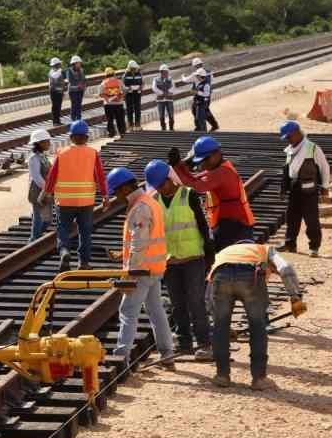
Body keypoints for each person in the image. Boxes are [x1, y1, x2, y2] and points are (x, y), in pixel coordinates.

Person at [209, 240, 306, 390]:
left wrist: (222, 326)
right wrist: (295, 297)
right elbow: (285, 268)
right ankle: (259, 379)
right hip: (250, 278)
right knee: (257, 326)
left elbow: (208, 295)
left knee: (220, 327)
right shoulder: (265, 249)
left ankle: (222, 376)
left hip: (221, 277)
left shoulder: (225, 252)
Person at [107, 167, 175, 369]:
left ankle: (121, 356)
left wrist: (129, 274)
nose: (116, 197)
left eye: (117, 192)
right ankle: (167, 353)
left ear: (126, 187)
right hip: (154, 268)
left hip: (142, 271)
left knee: (127, 311)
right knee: (155, 310)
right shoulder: (149, 202)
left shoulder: (140, 208)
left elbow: (140, 244)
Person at [145, 159, 213, 361]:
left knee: (196, 302)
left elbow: (203, 224)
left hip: (193, 257)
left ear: (171, 179)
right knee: (178, 303)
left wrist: (210, 253)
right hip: (169, 260)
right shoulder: (155, 201)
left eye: (162, 184)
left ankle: (204, 343)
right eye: (157, 186)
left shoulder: (189, 195)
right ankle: (184, 342)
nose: (161, 188)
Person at [169, 136, 256, 268]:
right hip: (228, 223)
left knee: (234, 266)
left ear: (216, 154)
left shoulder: (222, 173)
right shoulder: (219, 168)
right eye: (200, 161)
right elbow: (194, 178)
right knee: (225, 264)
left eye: (205, 160)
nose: (203, 165)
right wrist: (180, 166)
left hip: (235, 227)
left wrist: (176, 167)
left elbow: (195, 186)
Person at [43, 120, 108, 270]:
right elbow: (100, 176)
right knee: (85, 232)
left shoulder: (62, 153)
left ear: (71, 137)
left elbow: (52, 176)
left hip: (64, 202)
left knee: (63, 229)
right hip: (86, 202)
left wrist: (47, 192)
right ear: (86, 138)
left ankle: (65, 251)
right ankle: (84, 263)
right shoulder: (92, 154)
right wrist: (105, 196)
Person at [280, 120, 330, 257]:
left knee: (311, 219)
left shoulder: (312, 148)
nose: (288, 140)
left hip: (309, 190)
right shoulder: (290, 150)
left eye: (289, 137)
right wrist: (284, 188)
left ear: (297, 133)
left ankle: (314, 247)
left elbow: (325, 168)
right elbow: (288, 170)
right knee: (292, 218)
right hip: (294, 189)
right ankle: (290, 244)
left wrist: (325, 186)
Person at [26, 129, 54, 241]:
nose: (49, 143)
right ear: (39, 143)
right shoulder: (33, 158)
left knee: (47, 219)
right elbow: (37, 177)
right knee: (38, 218)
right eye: (46, 141)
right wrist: (48, 189)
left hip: (45, 191)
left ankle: (37, 237)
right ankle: (33, 240)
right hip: (37, 192)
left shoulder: (42, 156)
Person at [184, 58, 219, 132]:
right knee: (204, 110)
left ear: (195, 66)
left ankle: (201, 128)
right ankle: (213, 125)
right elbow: (212, 80)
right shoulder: (209, 72)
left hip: (201, 95)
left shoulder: (197, 74)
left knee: (198, 111)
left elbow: (186, 80)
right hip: (207, 95)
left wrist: (183, 76)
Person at [99, 66, 126, 138]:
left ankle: (111, 133)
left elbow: (101, 94)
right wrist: (120, 97)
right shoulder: (119, 81)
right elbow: (124, 91)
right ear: (113, 74)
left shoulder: (103, 83)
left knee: (109, 119)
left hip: (108, 104)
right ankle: (122, 132)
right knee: (120, 119)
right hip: (118, 104)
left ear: (106, 74)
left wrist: (107, 99)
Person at [152, 64, 175, 131]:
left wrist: (167, 92)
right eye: (165, 72)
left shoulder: (170, 79)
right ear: (161, 72)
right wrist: (162, 93)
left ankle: (171, 128)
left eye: (167, 72)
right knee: (161, 115)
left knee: (171, 114)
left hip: (169, 99)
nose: (166, 73)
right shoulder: (155, 79)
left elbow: (173, 87)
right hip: (160, 100)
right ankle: (163, 128)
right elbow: (154, 88)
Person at [123, 60, 144, 131]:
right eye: (132, 68)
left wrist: (141, 87)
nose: (133, 70)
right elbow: (122, 86)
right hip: (128, 94)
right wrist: (128, 88)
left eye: (134, 68)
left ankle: (138, 125)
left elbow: (142, 83)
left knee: (137, 109)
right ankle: (130, 125)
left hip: (137, 93)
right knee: (129, 110)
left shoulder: (139, 74)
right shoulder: (125, 75)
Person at [47, 57, 67, 126]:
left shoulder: (56, 71)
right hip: (54, 92)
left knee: (58, 106)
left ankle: (57, 121)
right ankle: (55, 121)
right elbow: (56, 77)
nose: (60, 65)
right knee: (55, 107)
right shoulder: (55, 72)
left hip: (58, 91)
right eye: (59, 64)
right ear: (57, 65)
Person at [67, 55, 86, 122]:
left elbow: (84, 79)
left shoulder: (81, 70)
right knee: (74, 104)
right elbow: (70, 81)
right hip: (73, 90)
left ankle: (79, 118)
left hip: (80, 90)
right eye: (78, 63)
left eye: (80, 63)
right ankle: (73, 118)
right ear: (74, 64)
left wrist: (83, 85)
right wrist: (77, 86)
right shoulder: (69, 71)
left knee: (79, 104)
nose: (80, 64)